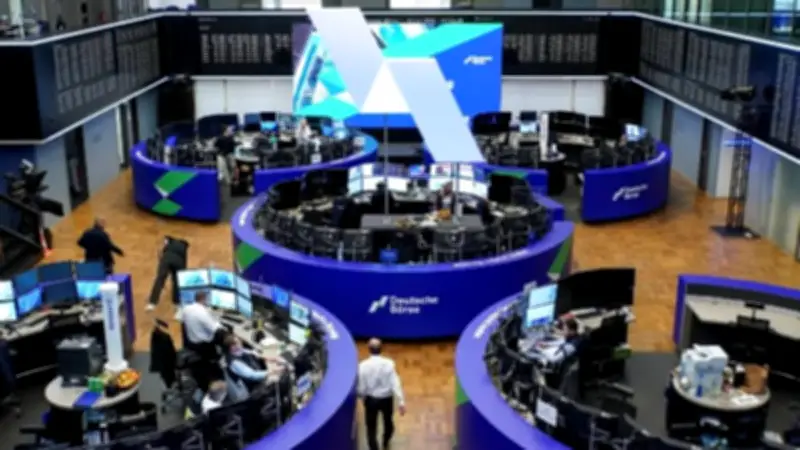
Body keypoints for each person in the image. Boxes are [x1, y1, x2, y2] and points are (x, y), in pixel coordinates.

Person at [358, 338, 406, 450]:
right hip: (386, 399)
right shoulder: (389, 364)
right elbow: (395, 383)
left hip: (371, 400)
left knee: (371, 428)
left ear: (369, 349)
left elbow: (361, 386)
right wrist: (401, 401)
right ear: (381, 349)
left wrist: (363, 398)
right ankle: (386, 441)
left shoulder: (363, 366)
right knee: (388, 422)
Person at [146, 236, 189, 316]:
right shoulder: (183, 248)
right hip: (179, 262)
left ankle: (152, 303)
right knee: (177, 283)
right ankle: (177, 305)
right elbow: (184, 261)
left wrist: (161, 263)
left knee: (160, 279)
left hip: (167, 259)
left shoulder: (169, 243)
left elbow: (160, 253)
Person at [222, 334, 270, 401]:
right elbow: (252, 376)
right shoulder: (234, 363)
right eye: (238, 342)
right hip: (255, 389)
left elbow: (254, 354)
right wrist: (271, 372)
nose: (241, 343)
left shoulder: (239, 351)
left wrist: (271, 359)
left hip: (261, 381)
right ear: (232, 347)